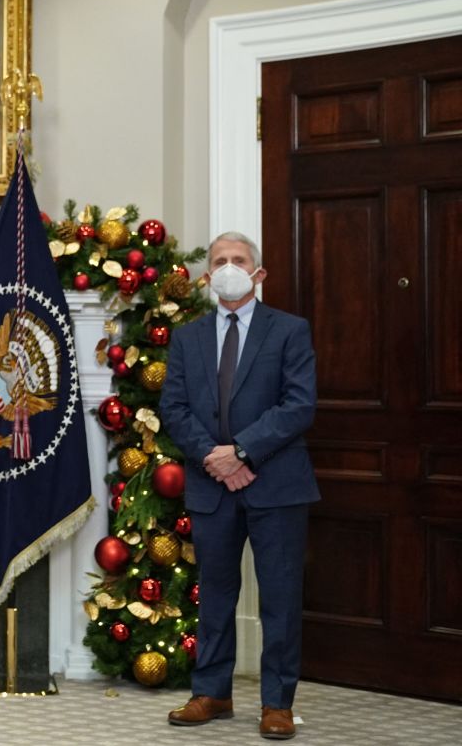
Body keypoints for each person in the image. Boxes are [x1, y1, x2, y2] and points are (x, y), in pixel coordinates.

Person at [160, 232, 319, 741]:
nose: (229, 267)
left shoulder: (290, 331)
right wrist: (215, 459)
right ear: (207, 276)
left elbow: (299, 405)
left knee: (279, 596)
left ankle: (277, 703)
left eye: (239, 260)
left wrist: (243, 453)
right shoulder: (188, 337)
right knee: (216, 595)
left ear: (258, 272)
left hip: (278, 486)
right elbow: (174, 409)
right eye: (219, 261)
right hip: (212, 485)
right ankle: (212, 692)